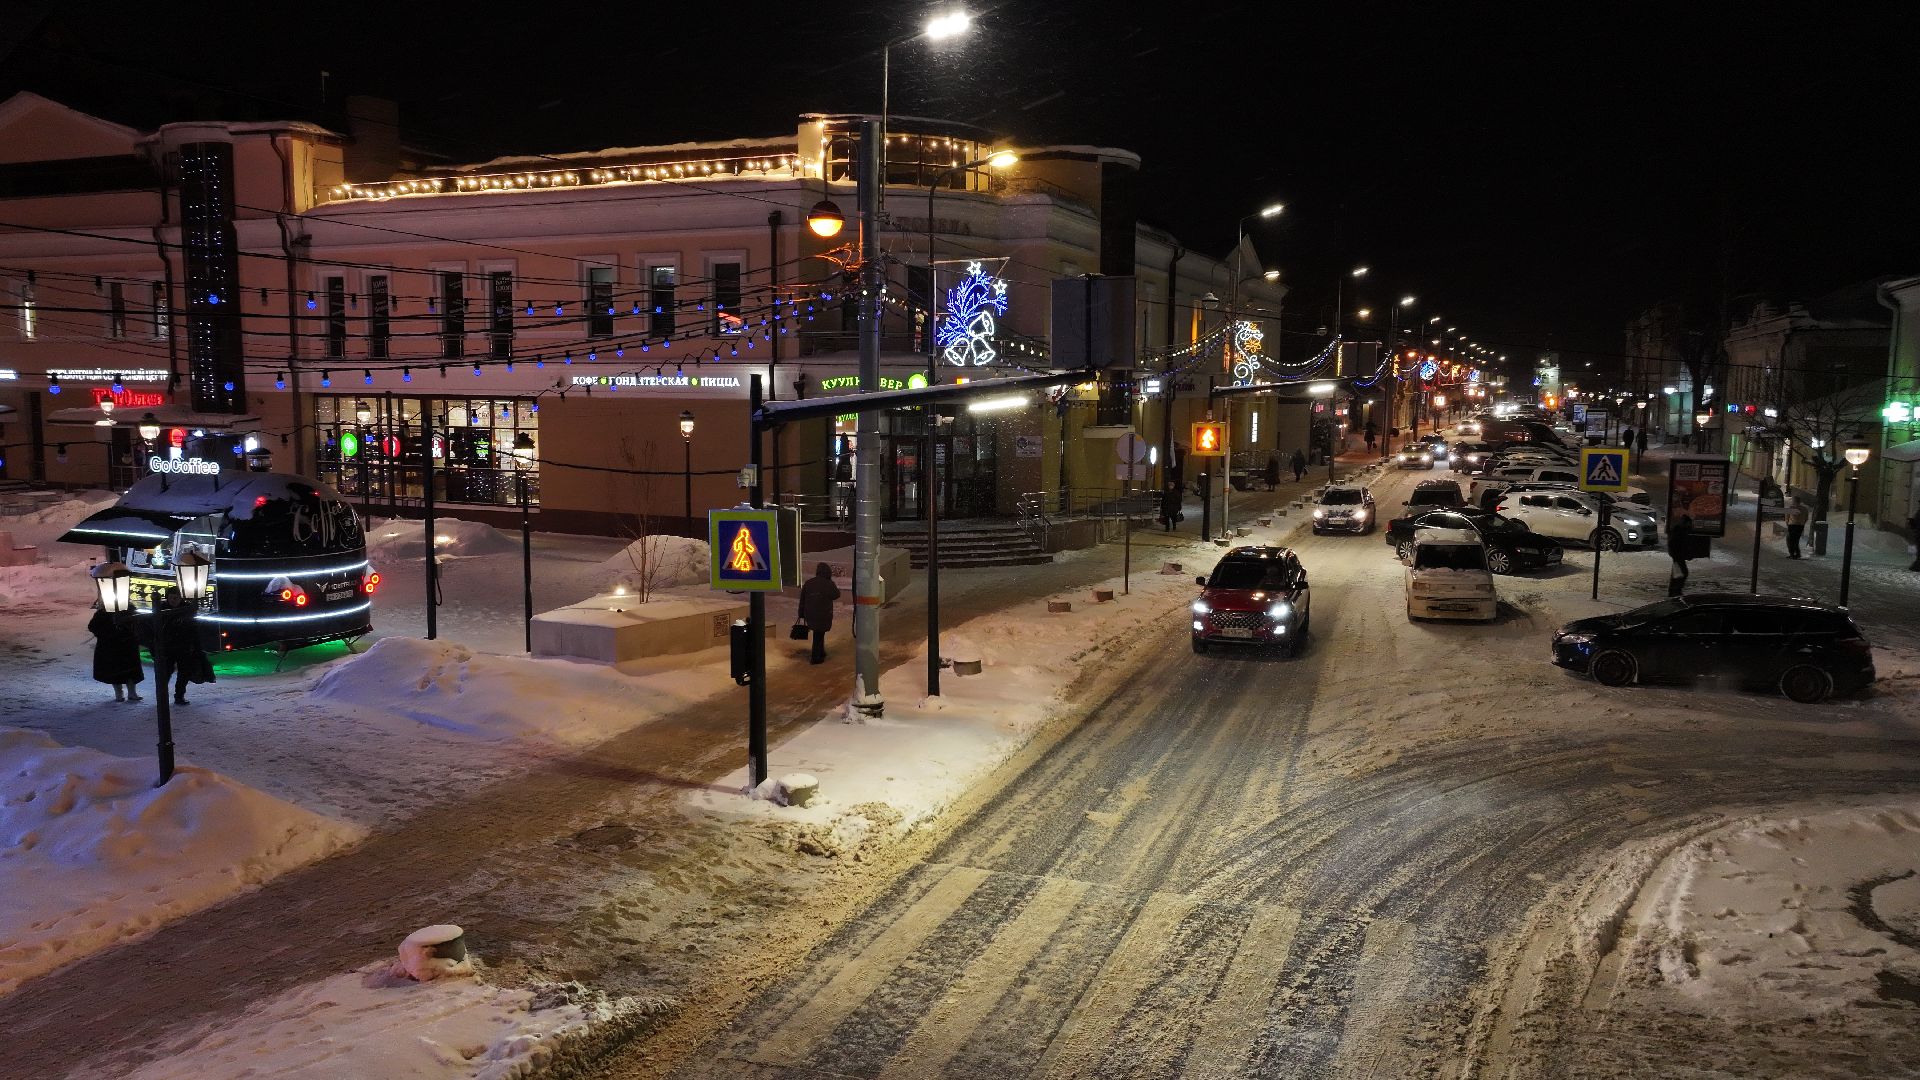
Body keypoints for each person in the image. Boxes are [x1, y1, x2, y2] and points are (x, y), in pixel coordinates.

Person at [158, 589, 213, 705]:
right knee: (165, 673)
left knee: (183, 673)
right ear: (167, 598)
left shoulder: (187, 609)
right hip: (167, 648)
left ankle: (179, 696)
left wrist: (196, 647)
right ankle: (163, 697)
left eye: (176, 598)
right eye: (171, 597)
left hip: (183, 647)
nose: (173, 600)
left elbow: (194, 629)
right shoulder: (161, 609)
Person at [88, 602, 143, 703]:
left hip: (125, 645)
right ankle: (121, 694)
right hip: (114, 646)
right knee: (117, 671)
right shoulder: (103, 613)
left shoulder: (129, 610)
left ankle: (130, 693)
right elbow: (92, 626)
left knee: (129, 671)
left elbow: (137, 625)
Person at [797, 563, 841, 665]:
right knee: (819, 634)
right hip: (823, 613)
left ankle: (821, 652)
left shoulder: (809, 583)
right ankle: (816, 657)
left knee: (818, 633)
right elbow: (836, 595)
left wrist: (801, 613)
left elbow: (802, 599)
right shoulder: (828, 584)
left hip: (810, 614)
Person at [1667, 512, 1695, 597]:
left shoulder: (1679, 530)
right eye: (1688, 523)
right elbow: (1676, 544)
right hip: (1678, 556)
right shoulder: (1679, 531)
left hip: (1677, 556)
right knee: (1682, 573)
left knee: (1678, 573)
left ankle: (1674, 591)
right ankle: (1676, 591)